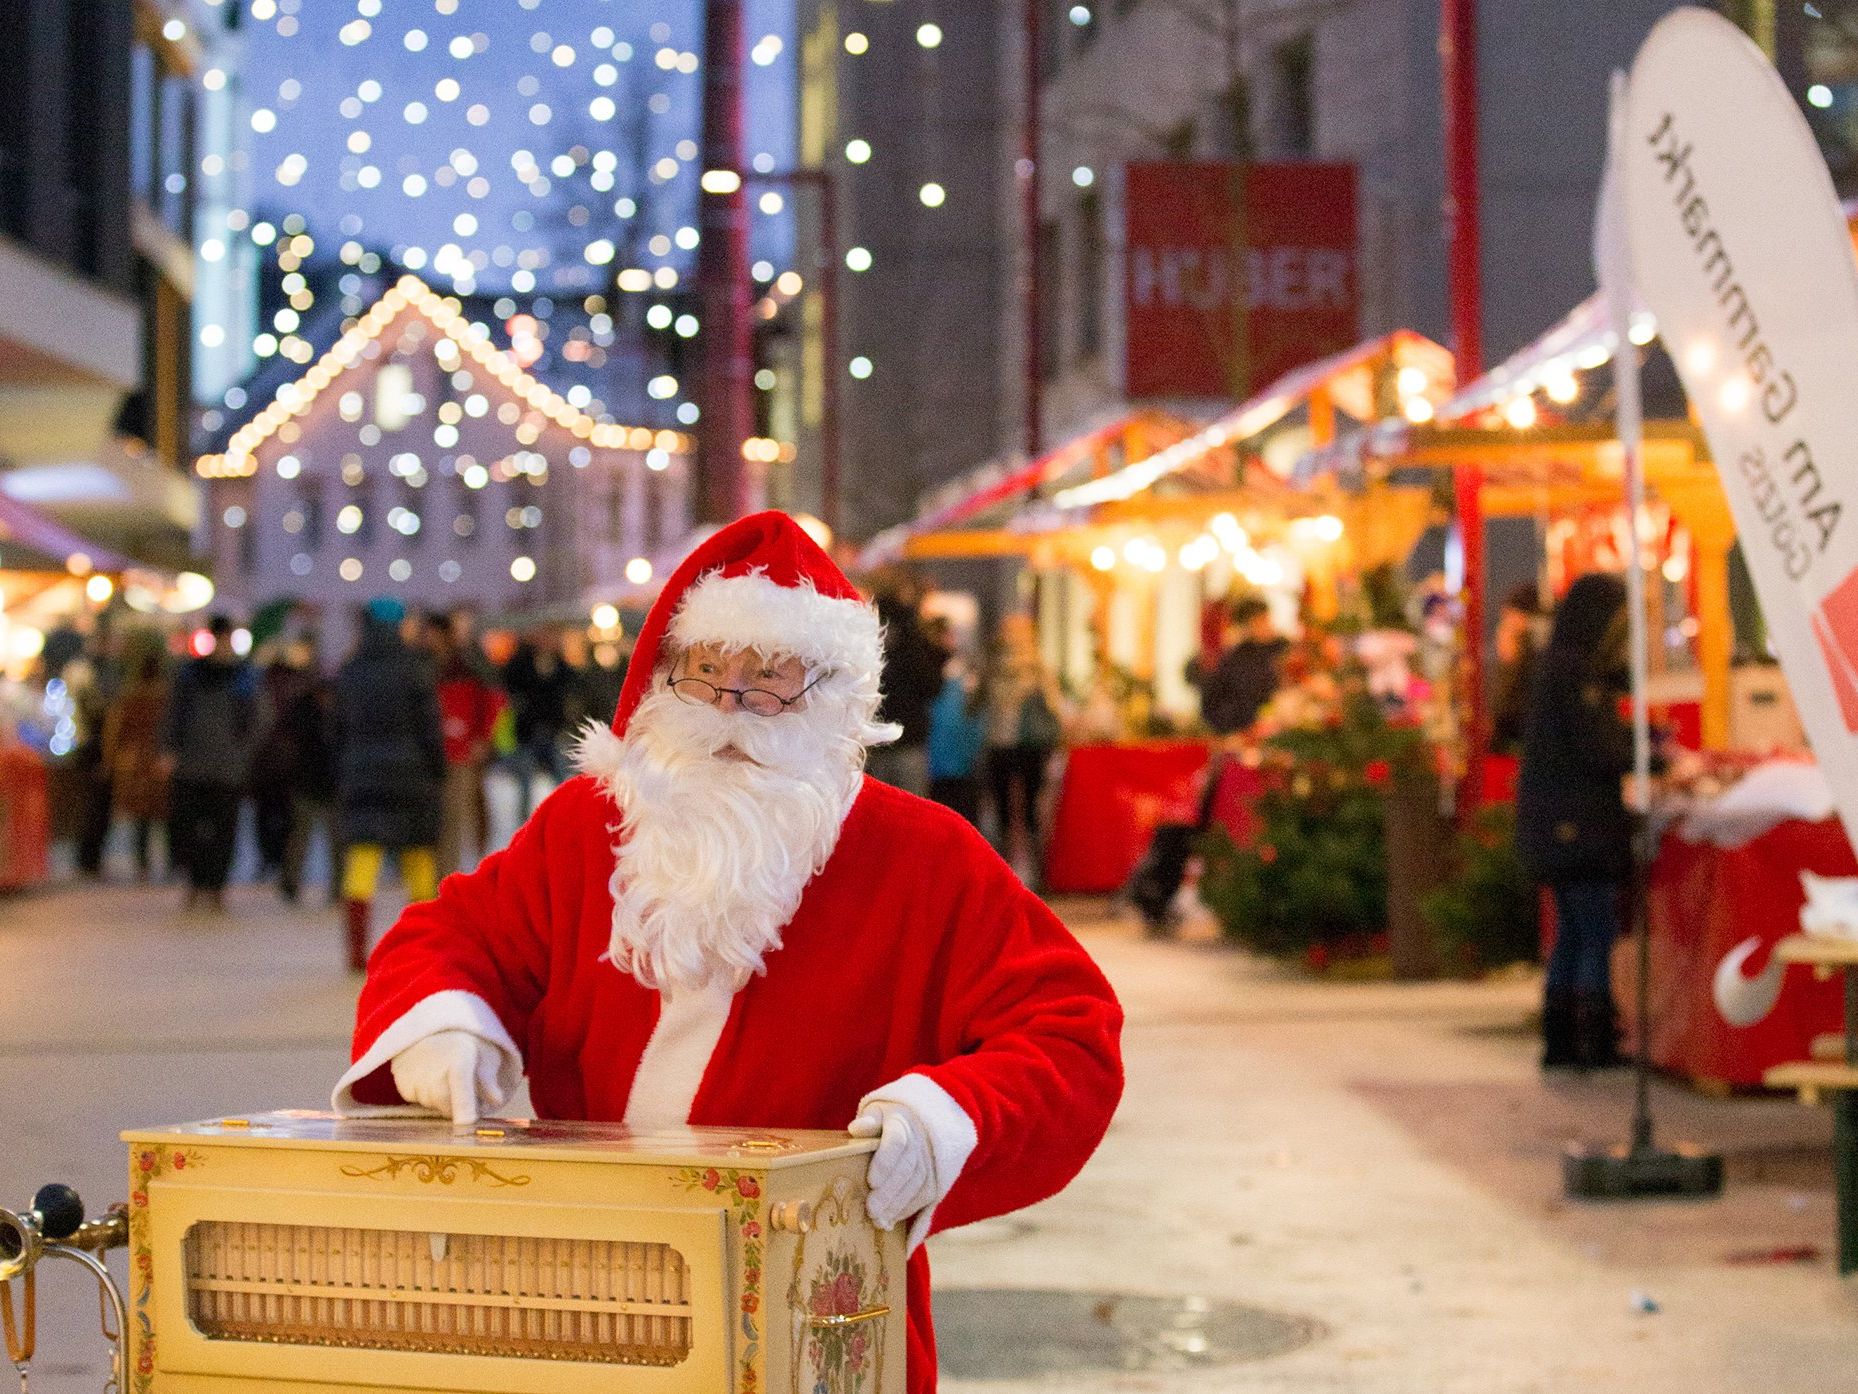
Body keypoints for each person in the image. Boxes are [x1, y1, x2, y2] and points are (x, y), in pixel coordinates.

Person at [332, 512, 1123, 1394]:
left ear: (834, 693)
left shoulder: (922, 857)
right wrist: (451, 1027)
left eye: (773, 678)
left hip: (815, 1313)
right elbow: (453, 937)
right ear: (664, 679)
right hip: (585, 1294)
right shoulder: (590, 827)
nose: (734, 707)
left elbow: (1068, 1033)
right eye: (707, 672)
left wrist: (947, 1116)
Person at [1515, 573, 1633, 1071]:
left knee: (1572, 929)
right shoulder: (1577, 674)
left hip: (1554, 824)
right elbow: (1599, 749)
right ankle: (1594, 1041)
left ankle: (1560, 1040)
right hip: (1580, 825)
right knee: (1594, 929)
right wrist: (1646, 753)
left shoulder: (1555, 667)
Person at [334, 598, 446, 972]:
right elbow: (430, 728)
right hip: (411, 775)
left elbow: (335, 729)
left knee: (362, 860)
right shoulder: (415, 669)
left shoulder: (350, 671)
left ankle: (356, 951)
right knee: (419, 859)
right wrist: (436, 770)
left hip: (361, 774)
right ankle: (423, 948)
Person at [161, 615, 262, 910]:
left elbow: (258, 719)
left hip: (227, 767)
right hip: (193, 765)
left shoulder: (244, 677)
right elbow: (174, 715)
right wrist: (169, 749)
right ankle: (195, 883)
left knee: (224, 830)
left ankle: (216, 886)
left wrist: (243, 751)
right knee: (190, 828)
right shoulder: (190, 675)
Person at [981, 614, 1064, 881]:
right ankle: (1033, 873)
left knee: (1008, 812)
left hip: (1005, 745)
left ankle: (1006, 872)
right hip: (1024, 747)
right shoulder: (1037, 668)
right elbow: (1055, 709)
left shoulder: (995, 668)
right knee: (1027, 812)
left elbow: (974, 705)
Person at [422, 611, 502, 879]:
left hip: (459, 753)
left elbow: (493, 700)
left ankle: (445, 878)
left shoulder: (469, 664)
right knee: (435, 819)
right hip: (430, 753)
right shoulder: (423, 665)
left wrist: (482, 738)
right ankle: (435, 878)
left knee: (455, 818)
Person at [866, 573, 945, 796]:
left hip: (877, 739)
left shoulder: (868, 634)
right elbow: (932, 686)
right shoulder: (913, 637)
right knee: (911, 809)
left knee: (877, 810)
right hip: (908, 740)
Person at [101, 636, 169, 880]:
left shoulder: (132, 697)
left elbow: (115, 730)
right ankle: (161, 863)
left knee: (143, 818)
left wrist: (111, 760)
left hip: (138, 761)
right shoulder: (162, 698)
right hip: (153, 761)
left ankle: (144, 863)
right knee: (157, 816)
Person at [279, 641, 340, 906]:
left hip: (334, 783)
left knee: (337, 839)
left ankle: (339, 885)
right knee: (299, 838)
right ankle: (291, 881)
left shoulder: (341, 709)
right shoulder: (302, 708)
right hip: (307, 781)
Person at [501, 625, 577, 816]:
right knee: (525, 783)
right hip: (528, 732)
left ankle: (564, 819)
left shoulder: (561, 666)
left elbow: (570, 689)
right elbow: (509, 683)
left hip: (552, 731)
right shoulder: (522, 663)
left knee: (561, 780)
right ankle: (525, 826)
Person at [1196, 595, 1286, 737]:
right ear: (1246, 626)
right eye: (1260, 622)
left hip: (1280, 730)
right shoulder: (1233, 659)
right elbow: (1212, 703)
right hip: (1243, 732)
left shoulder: (1283, 650)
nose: (1267, 626)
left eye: (1267, 620)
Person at [927, 649, 986, 826]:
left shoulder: (938, 688)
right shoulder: (966, 689)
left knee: (946, 814)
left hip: (942, 768)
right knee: (962, 817)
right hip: (958, 768)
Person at [1491, 581, 1548, 755]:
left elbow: (1509, 718)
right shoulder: (1526, 666)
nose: (1499, 632)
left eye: (1507, 621)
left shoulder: (1533, 668)